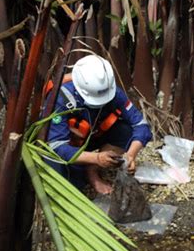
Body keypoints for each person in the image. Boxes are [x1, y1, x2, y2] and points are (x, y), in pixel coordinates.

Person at [44, 54, 152, 194]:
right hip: (69, 145)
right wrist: (95, 158)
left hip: (92, 136)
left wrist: (131, 155)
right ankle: (84, 172)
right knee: (73, 187)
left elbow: (141, 125)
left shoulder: (112, 92)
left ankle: (92, 172)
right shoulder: (60, 98)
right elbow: (56, 146)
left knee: (126, 131)